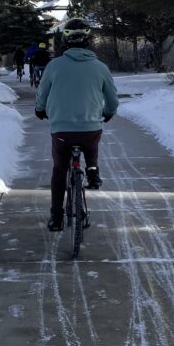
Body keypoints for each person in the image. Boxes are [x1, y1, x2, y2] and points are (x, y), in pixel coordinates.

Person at [34, 19, 119, 232]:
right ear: (89, 41)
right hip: (90, 127)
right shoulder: (100, 67)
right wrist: (107, 112)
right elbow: (112, 100)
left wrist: (40, 109)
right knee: (91, 139)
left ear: (65, 41)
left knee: (59, 170)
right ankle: (92, 170)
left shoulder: (54, 66)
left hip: (61, 129)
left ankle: (56, 218)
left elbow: (42, 94)